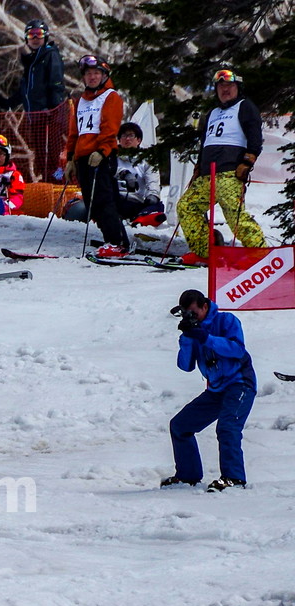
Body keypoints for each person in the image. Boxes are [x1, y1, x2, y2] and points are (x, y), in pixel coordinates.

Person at [161, 289, 256, 492]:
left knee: (227, 427)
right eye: (187, 314)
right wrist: (187, 338)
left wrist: (206, 338)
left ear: (205, 306)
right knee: (180, 426)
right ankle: (188, 476)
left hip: (240, 384)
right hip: (216, 389)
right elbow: (185, 366)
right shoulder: (193, 332)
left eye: (194, 312)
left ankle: (234, 479)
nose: (191, 317)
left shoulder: (227, 320)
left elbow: (238, 350)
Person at [176, 68, 266, 267]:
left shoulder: (245, 106)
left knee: (234, 216)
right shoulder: (212, 113)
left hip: (229, 172)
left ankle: (259, 253)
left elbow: (255, 136)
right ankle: (206, 253)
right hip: (207, 173)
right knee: (186, 207)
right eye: (221, 86)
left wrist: (248, 160)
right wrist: (199, 166)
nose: (225, 90)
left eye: (229, 86)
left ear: (237, 88)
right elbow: (205, 141)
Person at [63, 55, 128, 259]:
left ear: (104, 75)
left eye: (96, 73)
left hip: (101, 156)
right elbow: (75, 131)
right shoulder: (81, 100)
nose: (92, 77)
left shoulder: (111, 97)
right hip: (83, 157)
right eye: (88, 74)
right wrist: (71, 158)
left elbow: (110, 128)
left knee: (103, 199)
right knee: (92, 202)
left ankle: (116, 243)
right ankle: (115, 239)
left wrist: (102, 151)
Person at [0, 19, 66, 112]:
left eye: (39, 34)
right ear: (27, 38)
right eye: (31, 35)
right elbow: (26, 92)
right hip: (34, 117)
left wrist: (55, 110)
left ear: (45, 36)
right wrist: (7, 104)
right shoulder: (32, 63)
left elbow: (56, 84)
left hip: (48, 116)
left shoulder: (50, 55)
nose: (35, 38)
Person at [114, 122, 165, 226]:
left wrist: (153, 196)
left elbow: (153, 181)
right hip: (116, 199)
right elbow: (109, 170)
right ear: (119, 140)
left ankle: (140, 220)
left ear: (138, 140)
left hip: (136, 201)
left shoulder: (147, 160)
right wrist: (124, 173)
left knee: (158, 206)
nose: (127, 139)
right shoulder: (112, 157)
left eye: (131, 136)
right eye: (124, 136)